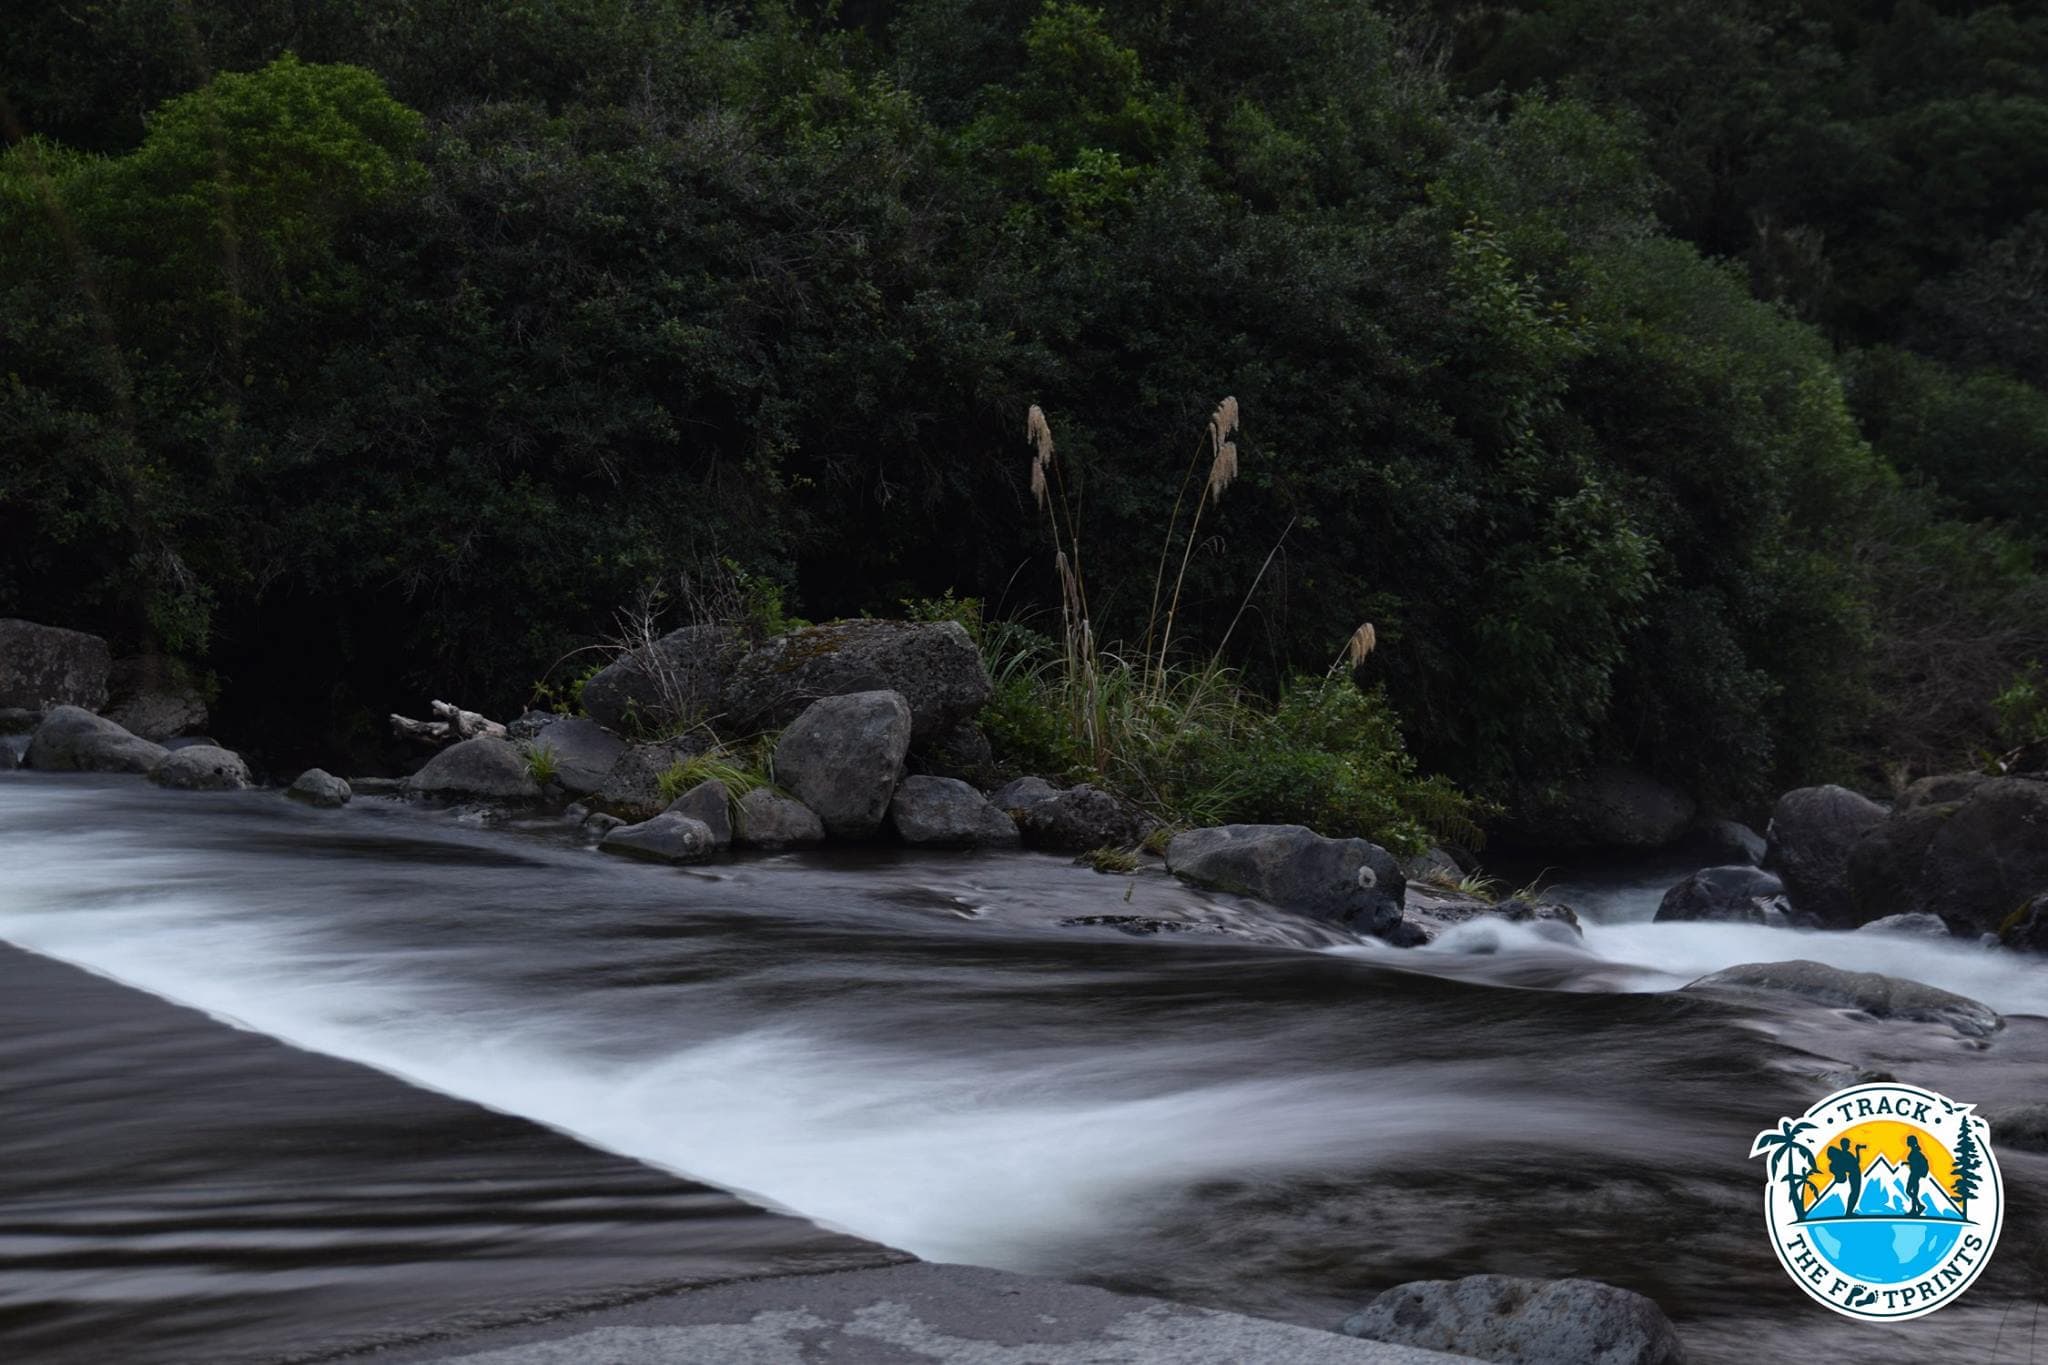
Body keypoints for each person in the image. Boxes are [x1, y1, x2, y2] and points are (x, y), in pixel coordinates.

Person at [1825, 1137, 1863, 1216]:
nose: (1849, 1145)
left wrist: (1857, 1150)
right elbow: (1856, 1162)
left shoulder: (1845, 1154)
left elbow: (1855, 1163)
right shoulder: (1845, 1154)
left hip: (1854, 1174)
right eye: (1848, 1144)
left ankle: (1849, 1212)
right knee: (1854, 1193)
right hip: (1854, 1174)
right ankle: (1849, 1212)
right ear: (1844, 1145)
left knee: (1854, 1193)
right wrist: (1857, 1150)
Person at [1904, 1135, 1930, 1216]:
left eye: (1908, 1141)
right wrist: (1907, 1163)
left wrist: (1909, 1163)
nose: (1906, 1142)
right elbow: (1914, 1162)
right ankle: (1917, 1207)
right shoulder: (1915, 1151)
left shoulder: (1915, 1152)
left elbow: (1915, 1163)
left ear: (1911, 1142)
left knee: (1909, 1191)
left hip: (1915, 1174)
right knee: (1912, 1192)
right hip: (1915, 1174)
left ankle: (1916, 1208)